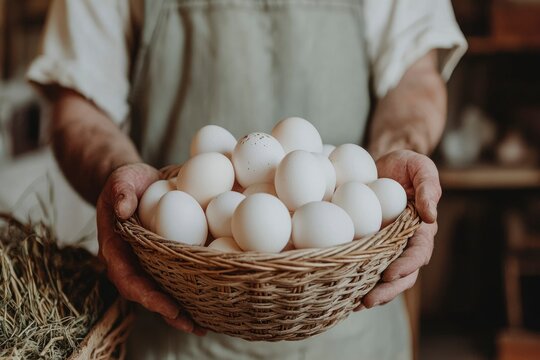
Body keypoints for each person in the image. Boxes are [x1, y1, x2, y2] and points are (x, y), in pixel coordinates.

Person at [28, 0, 467, 358]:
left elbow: (415, 77)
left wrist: (385, 178)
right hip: (177, 305)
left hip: (350, 308)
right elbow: (78, 103)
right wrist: (123, 185)